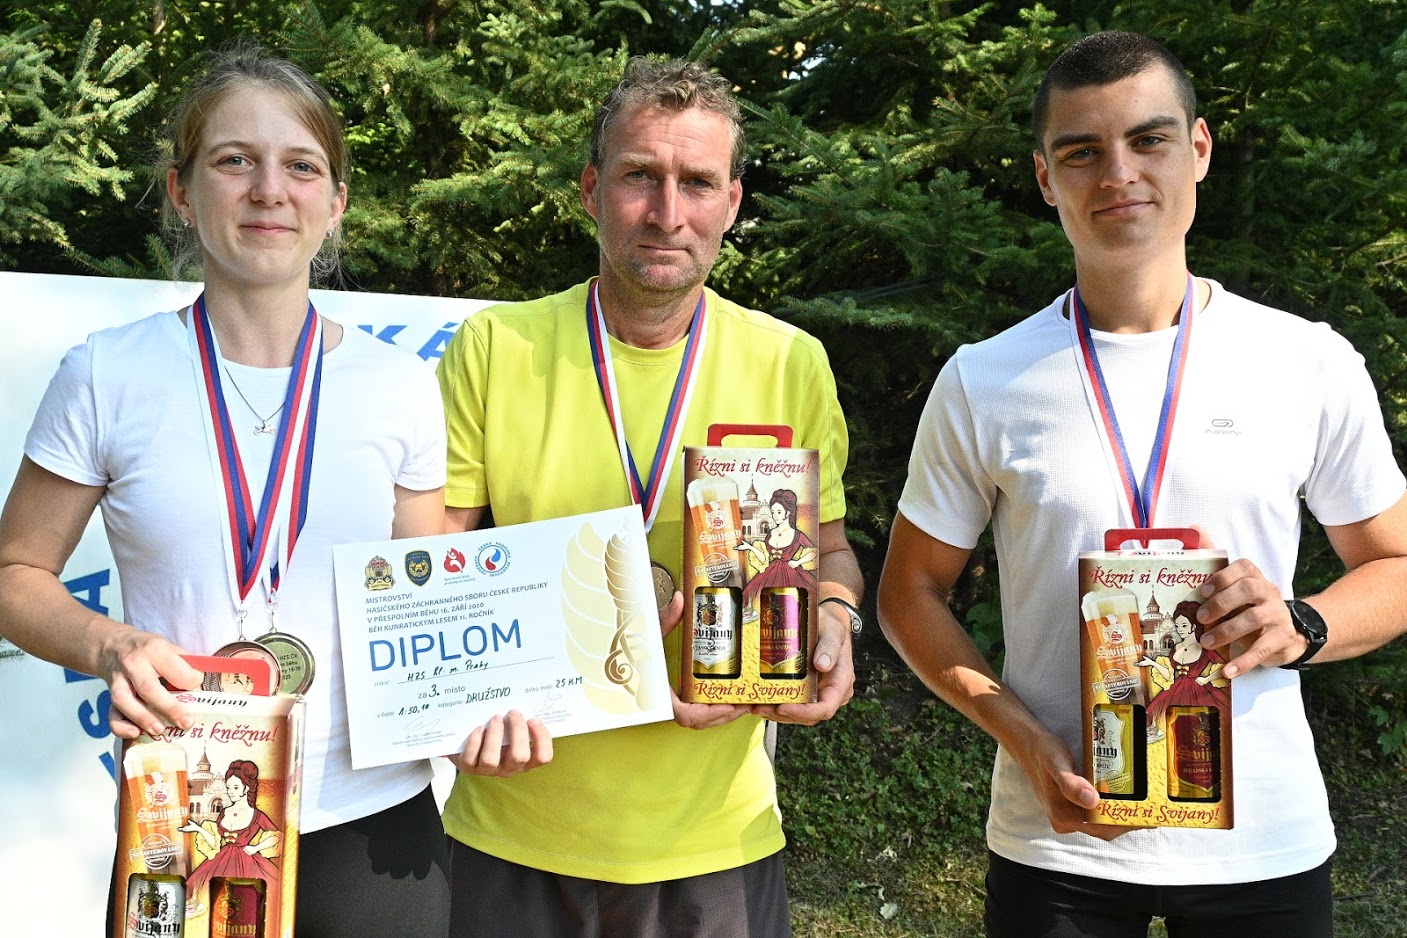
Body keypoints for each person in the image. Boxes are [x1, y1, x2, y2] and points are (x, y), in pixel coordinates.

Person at [876, 30, 1407, 938]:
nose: (1117, 173)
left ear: (1197, 149)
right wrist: (1022, 740)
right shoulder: (984, 378)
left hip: (1259, 842)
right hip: (1059, 840)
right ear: (1045, 177)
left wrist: (1300, 624)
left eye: (1147, 139)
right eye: (1080, 151)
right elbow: (907, 592)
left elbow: (1395, 565)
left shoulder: (1305, 361)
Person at [0, 43, 451, 935]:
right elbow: (15, 574)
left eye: (301, 166)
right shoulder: (107, 373)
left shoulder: (399, 384)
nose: (269, 189)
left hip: (375, 823)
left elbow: (421, 609)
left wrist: (488, 705)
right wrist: (110, 645)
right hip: (182, 810)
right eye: (234, 160)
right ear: (182, 190)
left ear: (335, 202)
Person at [435, 55, 865, 937]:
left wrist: (834, 618)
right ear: (592, 189)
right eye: (640, 177)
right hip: (516, 826)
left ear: (731, 203)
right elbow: (432, 568)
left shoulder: (789, 361)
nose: (668, 213)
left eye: (697, 183)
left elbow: (829, 551)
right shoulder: (495, 347)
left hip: (716, 838)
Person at [182, 760, 283, 901]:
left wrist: (256, 848)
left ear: (246, 788)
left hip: (247, 860)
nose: (231, 792)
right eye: (228, 787)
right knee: (199, 887)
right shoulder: (224, 812)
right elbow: (215, 842)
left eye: (235, 787)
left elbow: (276, 836)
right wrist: (198, 828)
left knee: (246, 894)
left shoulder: (256, 815)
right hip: (222, 858)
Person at [1140, 601, 1229, 726]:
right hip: (1176, 689)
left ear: (1194, 626)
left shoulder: (1204, 649)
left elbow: (1224, 669)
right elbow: (1169, 675)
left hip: (1199, 690)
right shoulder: (1176, 648)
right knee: (1159, 717)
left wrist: (1206, 679)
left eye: (1184, 625)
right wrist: (1153, 663)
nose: (1180, 630)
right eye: (1177, 626)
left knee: (1199, 721)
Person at [737, 489, 819, 607]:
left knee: (791, 602)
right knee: (759, 600)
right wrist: (750, 547)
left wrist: (798, 562)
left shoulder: (797, 534)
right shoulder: (771, 533)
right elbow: (764, 557)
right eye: (773, 512)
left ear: (788, 512)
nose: (775, 515)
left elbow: (813, 552)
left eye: (779, 512)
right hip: (770, 571)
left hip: (791, 572)